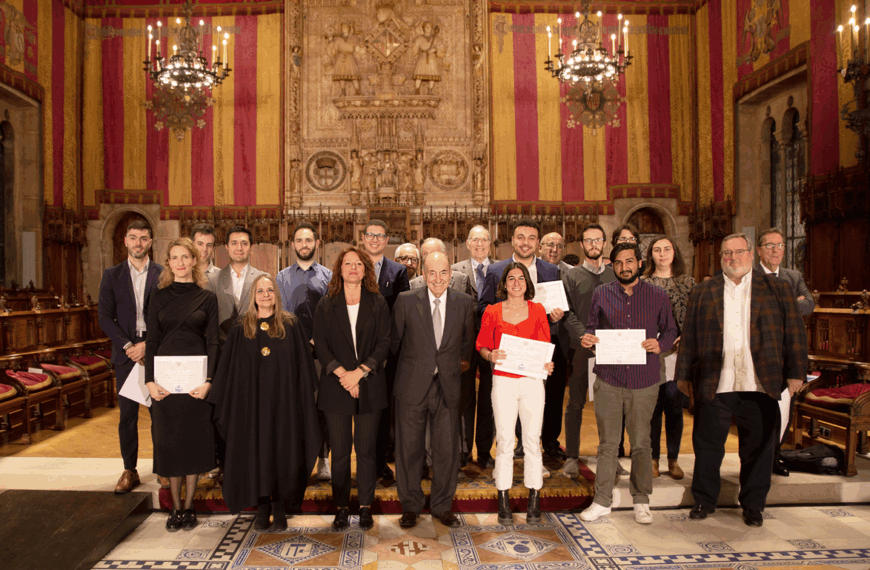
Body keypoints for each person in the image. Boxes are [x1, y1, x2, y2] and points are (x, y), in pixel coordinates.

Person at [677, 233, 807, 528]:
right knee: (708, 445)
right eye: (726, 254)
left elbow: (795, 334)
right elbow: (690, 339)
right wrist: (683, 375)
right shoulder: (703, 291)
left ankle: (753, 505)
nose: (731, 258)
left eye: (737, 252)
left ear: (751, 254)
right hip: (716, 380)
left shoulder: (778, 289)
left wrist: (796, 372)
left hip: (760, 381)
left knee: (758, 448)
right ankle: (704, 500)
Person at [209, 274, 322, 531]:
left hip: (285, 407)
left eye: (270, 290)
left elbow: (303, 370)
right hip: (251, 408)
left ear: (277, 294)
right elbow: (228, 372)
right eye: (260, 291)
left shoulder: (290, 325)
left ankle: (280, 506)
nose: (265, 295)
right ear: (253, 295)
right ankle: (262, 506)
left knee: (283, 452)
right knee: (255, 453)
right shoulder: (240, 328)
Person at [579, 242, 677, 525]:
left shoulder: (657, 295)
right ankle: (602, 501)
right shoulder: (602, 293)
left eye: (629, 261)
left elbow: (671, 329)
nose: (624, 267)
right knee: (608, 444)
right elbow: (591, 327)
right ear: (613, 265)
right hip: (609, 377)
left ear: (639, 263)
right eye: (619, 263)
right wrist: (589, 339)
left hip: (644, 379)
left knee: (641, 443)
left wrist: (660, 344)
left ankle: (642, 499)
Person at [391, 252, 475, 529]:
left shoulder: (464, 303)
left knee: (446, 450)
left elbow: (467, 343)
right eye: (432, 273)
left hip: (448, 387)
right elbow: (395, 344)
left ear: (451, 274)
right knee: (409, 450)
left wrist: (452, 368)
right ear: (423, 275)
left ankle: (442, 506)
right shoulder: (405, 301)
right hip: (411, 386)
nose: (438, 279)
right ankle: (411, 506)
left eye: (443, 273)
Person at [313, 247, 392, 531]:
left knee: (368, 451)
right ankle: (342, 507)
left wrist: (359, 373)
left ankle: (366, 506)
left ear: (365, 269)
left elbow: (384, 342)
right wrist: (344, 376)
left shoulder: (378, 302)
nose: (353, 268)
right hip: (336, 387)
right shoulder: (326, 303)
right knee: (342, 451)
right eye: (348, 263)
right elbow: (320, 344)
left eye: (358, 263)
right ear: (340, 269)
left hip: (369, 384)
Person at [144, 238, 219, 531]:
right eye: (174, 257)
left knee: (192, 442)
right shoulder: (158, 297)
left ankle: (190, 507)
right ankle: (175, 506)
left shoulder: (207, 298)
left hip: (195, 384)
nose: (180, 262)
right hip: (164, 383)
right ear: (168, 262)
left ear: (194, 261)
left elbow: (213, 342)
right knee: (170, 443)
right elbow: (151, 342)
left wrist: (209, 381)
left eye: (185, 257)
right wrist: (149, 380)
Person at [478, 219, 564, 463]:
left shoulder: (550, 270)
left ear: (538, 242)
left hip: (541, 344)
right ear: (512, 240)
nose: (525, 242)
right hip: (507, 346)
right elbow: (484, 306)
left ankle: (541, 442)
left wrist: (556, 315)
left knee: (540, 396)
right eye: (520, 237)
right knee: (505, 398)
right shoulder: (495, 271)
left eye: (531, 238)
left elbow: (555, 305)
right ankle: (511, 446)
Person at [477, 262, 555, 526]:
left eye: (521, 278)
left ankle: (534, 497)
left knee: (532, 440)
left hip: (532, 382)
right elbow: (483, 346)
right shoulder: (492, 311)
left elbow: (545, 346)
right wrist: (491, 354)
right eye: (511, 278)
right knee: (505, 440)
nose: (516, 283)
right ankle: (503, 498)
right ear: (504, 283)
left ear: (527, 283)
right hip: (504, 382)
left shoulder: (538, 310)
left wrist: (547, 363)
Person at [97, 219, 163, 494]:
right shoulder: (112, 275)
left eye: (144, 238)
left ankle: (163, 468)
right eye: (133, 238)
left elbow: (166, 316)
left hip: (155, 353)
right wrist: (127, 346)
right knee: (127, 416)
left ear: (150, 242)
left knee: (160, 415)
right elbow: (104, 317)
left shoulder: (162, 274)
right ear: (124, 241)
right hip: (126, 356)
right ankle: (130, 469)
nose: (138, 243)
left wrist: (147, 345)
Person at [276, 222, 334, 482]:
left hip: (321, 352)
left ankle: (323, 459)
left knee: (323, 407)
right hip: (293, 352)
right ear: (292, 245)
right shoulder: (281, 277)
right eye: (299, 240)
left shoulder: (329, 276)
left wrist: (316, 340)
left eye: (308, 240)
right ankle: (296, 459)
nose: (304, 245)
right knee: (296, 408)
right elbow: (282, 316)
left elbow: (332, 315)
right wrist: (299, 341)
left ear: (317, 244)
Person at [755, 227, 815, 478]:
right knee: (759, 413)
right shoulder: (750, 274)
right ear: (759, 250)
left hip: (784, 352)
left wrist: (782, 304)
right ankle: (757, 460)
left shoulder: (792, 275)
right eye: (769, 245)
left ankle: (775, 456)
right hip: (758, 352)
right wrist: (791, 302)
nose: (775, 250)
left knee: (784, 408)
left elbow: (809, 305)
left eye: (779, 245)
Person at [558, 223, 616, 478]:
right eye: (589, 241)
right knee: (576, 403)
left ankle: (610, 456)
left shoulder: (614, 276)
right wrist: (583, 335)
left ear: (605, 244)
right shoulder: (570, 277)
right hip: (580, 348)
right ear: (581, 245)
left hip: (611, 349)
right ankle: (571, 456)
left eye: (598, 240)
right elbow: (566, 311)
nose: (594, 245)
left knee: (610, 404)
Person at [640, 236, 695, 480]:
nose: (662, 254)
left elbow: (696, 317)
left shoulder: (689, 283)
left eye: (667, 249)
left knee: (674, 407)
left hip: (678, 353)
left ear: (675, 253)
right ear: (651, 255)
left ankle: (673, 460)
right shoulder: (642, 283)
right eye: (657, 250)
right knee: (653, 408)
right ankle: (652, 459)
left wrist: (686, 337)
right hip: (651, 352)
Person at [362, 219, 410, 481]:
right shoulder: (352, 265)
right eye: (371, 235)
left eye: (380, 236)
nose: (375, 240)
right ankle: (360, 465)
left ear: (386, 240)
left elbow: (402, 313)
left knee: (382, 411)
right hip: (356, 352)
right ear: (363, 237)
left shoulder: (398, 271)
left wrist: (391, 349)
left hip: (386, 355)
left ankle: (380, 462)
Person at [452, 225, 496, 468]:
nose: (479, 244)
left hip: (492, 342)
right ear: (467, 244)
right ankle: (464, 449)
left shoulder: (500, 269)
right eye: (474, 240)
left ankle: (485, 452)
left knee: (489, 398)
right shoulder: (455, 270)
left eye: (484, 240)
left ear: (490, 244)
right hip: (465, 342)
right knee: (464, 397)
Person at [209, 226, 266, 345]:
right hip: (222, 348)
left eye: (244, 243)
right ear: (226, 247)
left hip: (255, 344)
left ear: (251, 248)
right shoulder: (212, 280)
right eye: (234, 243)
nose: (239, 248)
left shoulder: (262, 278)